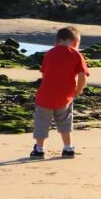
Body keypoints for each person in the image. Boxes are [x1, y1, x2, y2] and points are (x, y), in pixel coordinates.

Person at [30, 26, 89, 159]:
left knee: (41, 122)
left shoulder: (49, 54)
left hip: (45, 96)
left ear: (57, 41)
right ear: (75, 42)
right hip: (64, 96)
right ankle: (68, 148)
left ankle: (39, 149)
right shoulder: (76, 55)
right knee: (65, 121)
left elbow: (44, 75)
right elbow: (82, 76)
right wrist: (78, 90)